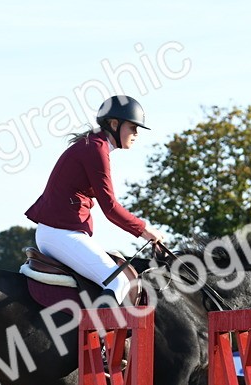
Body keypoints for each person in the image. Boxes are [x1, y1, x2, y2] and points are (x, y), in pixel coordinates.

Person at [25, 94, 164, 302]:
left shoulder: (94, 145)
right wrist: (144, 230)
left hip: (59, 232)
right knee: (119, 282)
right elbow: (110, 208)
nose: (136, 134)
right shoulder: (96, 149)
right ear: (114, 124)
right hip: (60, 234)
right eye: (133, 128)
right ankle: (98, 335)